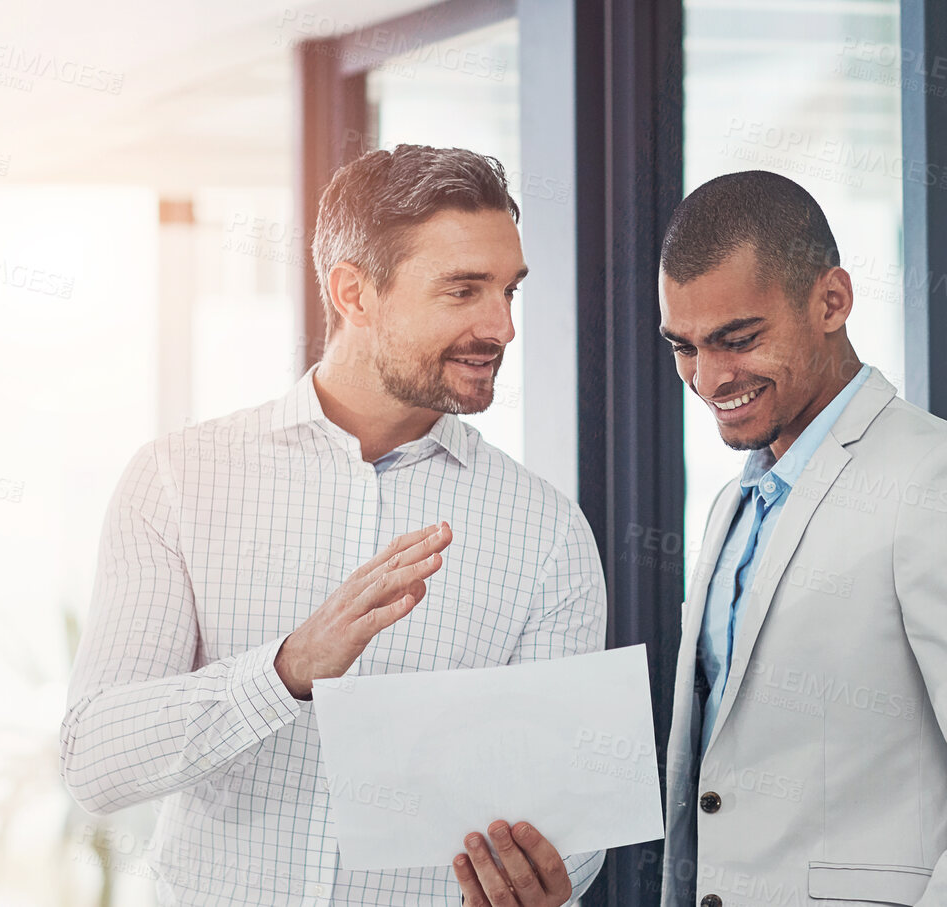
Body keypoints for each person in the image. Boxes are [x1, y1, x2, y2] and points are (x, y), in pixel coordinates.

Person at [61, 144, 603, 906]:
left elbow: (570, 840)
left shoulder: (546, 533)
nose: (502, 326)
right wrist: (286, 670)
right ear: (355, 291)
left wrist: (543, 877)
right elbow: (97, 760)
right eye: (463, 290)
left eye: (508, 290)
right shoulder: (179, 480)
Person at [653, 170, 947, 906]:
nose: (707, 378)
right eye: (684, 347)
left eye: (738, 339)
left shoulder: (942, 480)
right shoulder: (734, 503)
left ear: (831, 301)